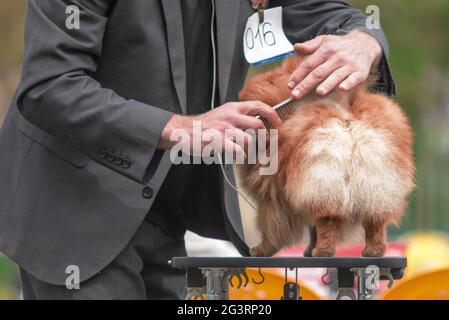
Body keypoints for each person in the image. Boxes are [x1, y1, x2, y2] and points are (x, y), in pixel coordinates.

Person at [0, 0, 395, 299]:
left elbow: (320, 12)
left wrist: (364, 41)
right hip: (75, 213)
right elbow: (50, 87)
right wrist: (183, 128)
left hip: (172, 212)